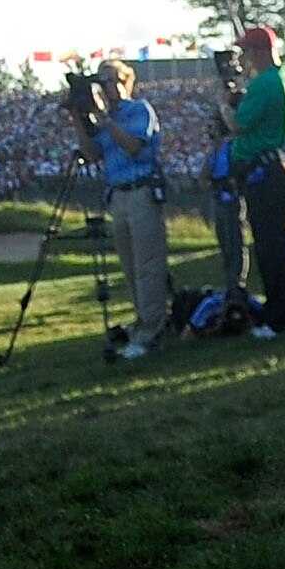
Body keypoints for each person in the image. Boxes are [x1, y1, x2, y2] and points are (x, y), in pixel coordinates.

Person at [81, 61, 169, 356]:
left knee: (148, 265)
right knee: (131, 267)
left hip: (141, 191)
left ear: (125, 81)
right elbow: (90, 154)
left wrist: (104, 117)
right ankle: (143, 322)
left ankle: (150, 334)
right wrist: (76, 117)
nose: (107, 86)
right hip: (117, 195)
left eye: (112, 79)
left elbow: (133, 146)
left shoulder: (138, 110)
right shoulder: (106, 119)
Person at [227, 28, 285, 336]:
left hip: (261, 169)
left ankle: (276, 316)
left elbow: (238, 125)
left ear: (257, 52)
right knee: (276, 244)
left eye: (247, 52)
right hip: (277, 164)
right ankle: (280, 308)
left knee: (268, 246)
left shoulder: (263, 84)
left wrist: (225, 105)